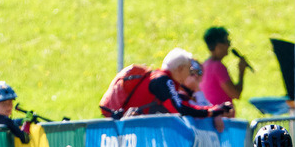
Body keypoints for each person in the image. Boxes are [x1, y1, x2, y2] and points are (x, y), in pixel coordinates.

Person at [100, 48, 233, 120]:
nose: (189, 74)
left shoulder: (162, 79)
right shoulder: (164, 80)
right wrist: (213, 111)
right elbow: (179, 110)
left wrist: (214, 109)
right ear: (180, 69)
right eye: (189, 70)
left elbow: (182, 107)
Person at [200, 26, 249, 107]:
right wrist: (241, 72)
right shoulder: (218, 67)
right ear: (219, 45)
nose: (229, 45)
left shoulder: (204, 65)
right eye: (227, 41)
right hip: (221, 116)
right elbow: (235, 94)